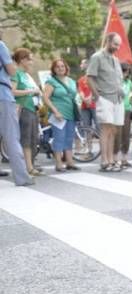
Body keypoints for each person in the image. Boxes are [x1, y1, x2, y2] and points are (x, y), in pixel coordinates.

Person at [87, 32, 125, 172]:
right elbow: (90, 77)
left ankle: (111, 159)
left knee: (113, 130)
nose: (117, 47)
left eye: (119, 45)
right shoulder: (97, 57)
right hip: (104, 97)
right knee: (106, 129)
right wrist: (97, 96)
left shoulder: (115, 59)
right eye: (115, 44)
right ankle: (104, 161)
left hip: (118, 98)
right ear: (108, 41)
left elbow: (119, 80)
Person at [0, 33, 34, 185]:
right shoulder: (1, 46)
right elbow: (11, 71)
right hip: (2, 95)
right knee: (12, 137)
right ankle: (22, 177)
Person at [43, 58, 80, 173]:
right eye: (57, 67)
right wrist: (55, 111)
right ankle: (58, 163)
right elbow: (45, 98)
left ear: (66, 68)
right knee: (59, 138)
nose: (60, 68)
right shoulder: (51, 82)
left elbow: (75, 96)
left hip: (71, 113)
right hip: (58, 114)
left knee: (69, 138)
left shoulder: (72, 81)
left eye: (62, 66)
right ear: (54, 69)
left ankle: (70, 162)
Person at [11, 48, 43, 177]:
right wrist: (30, 92)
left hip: (32, 109)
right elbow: (12, 91)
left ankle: (31, 165)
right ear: (22, 60)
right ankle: (28, 167)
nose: (32, 61)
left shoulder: (26, 75)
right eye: (30, 59)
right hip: (23, 108)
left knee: (33, 139)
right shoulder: (16, 73)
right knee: (26, 139)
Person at [113, 63, 132, 168]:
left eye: (127, 72)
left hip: (127, 109)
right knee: (117, 134)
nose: (125, 73)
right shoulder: (116, 81)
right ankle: (115, 159)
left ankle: (124, 159)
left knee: (126, 134)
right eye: (124, 71)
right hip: (117, 108)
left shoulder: (129, 82)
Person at [77, 59, 97, 130]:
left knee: (99, 127)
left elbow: (96, 88)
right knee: (86, 127)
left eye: (82, 63)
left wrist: (90, 98)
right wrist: (85, 100)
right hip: (84, 106)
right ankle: (88, 141)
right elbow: (80, 91)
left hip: (95, 105)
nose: (80, 65)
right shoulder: (81, 80)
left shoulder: (95, 77)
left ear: (87, 64)